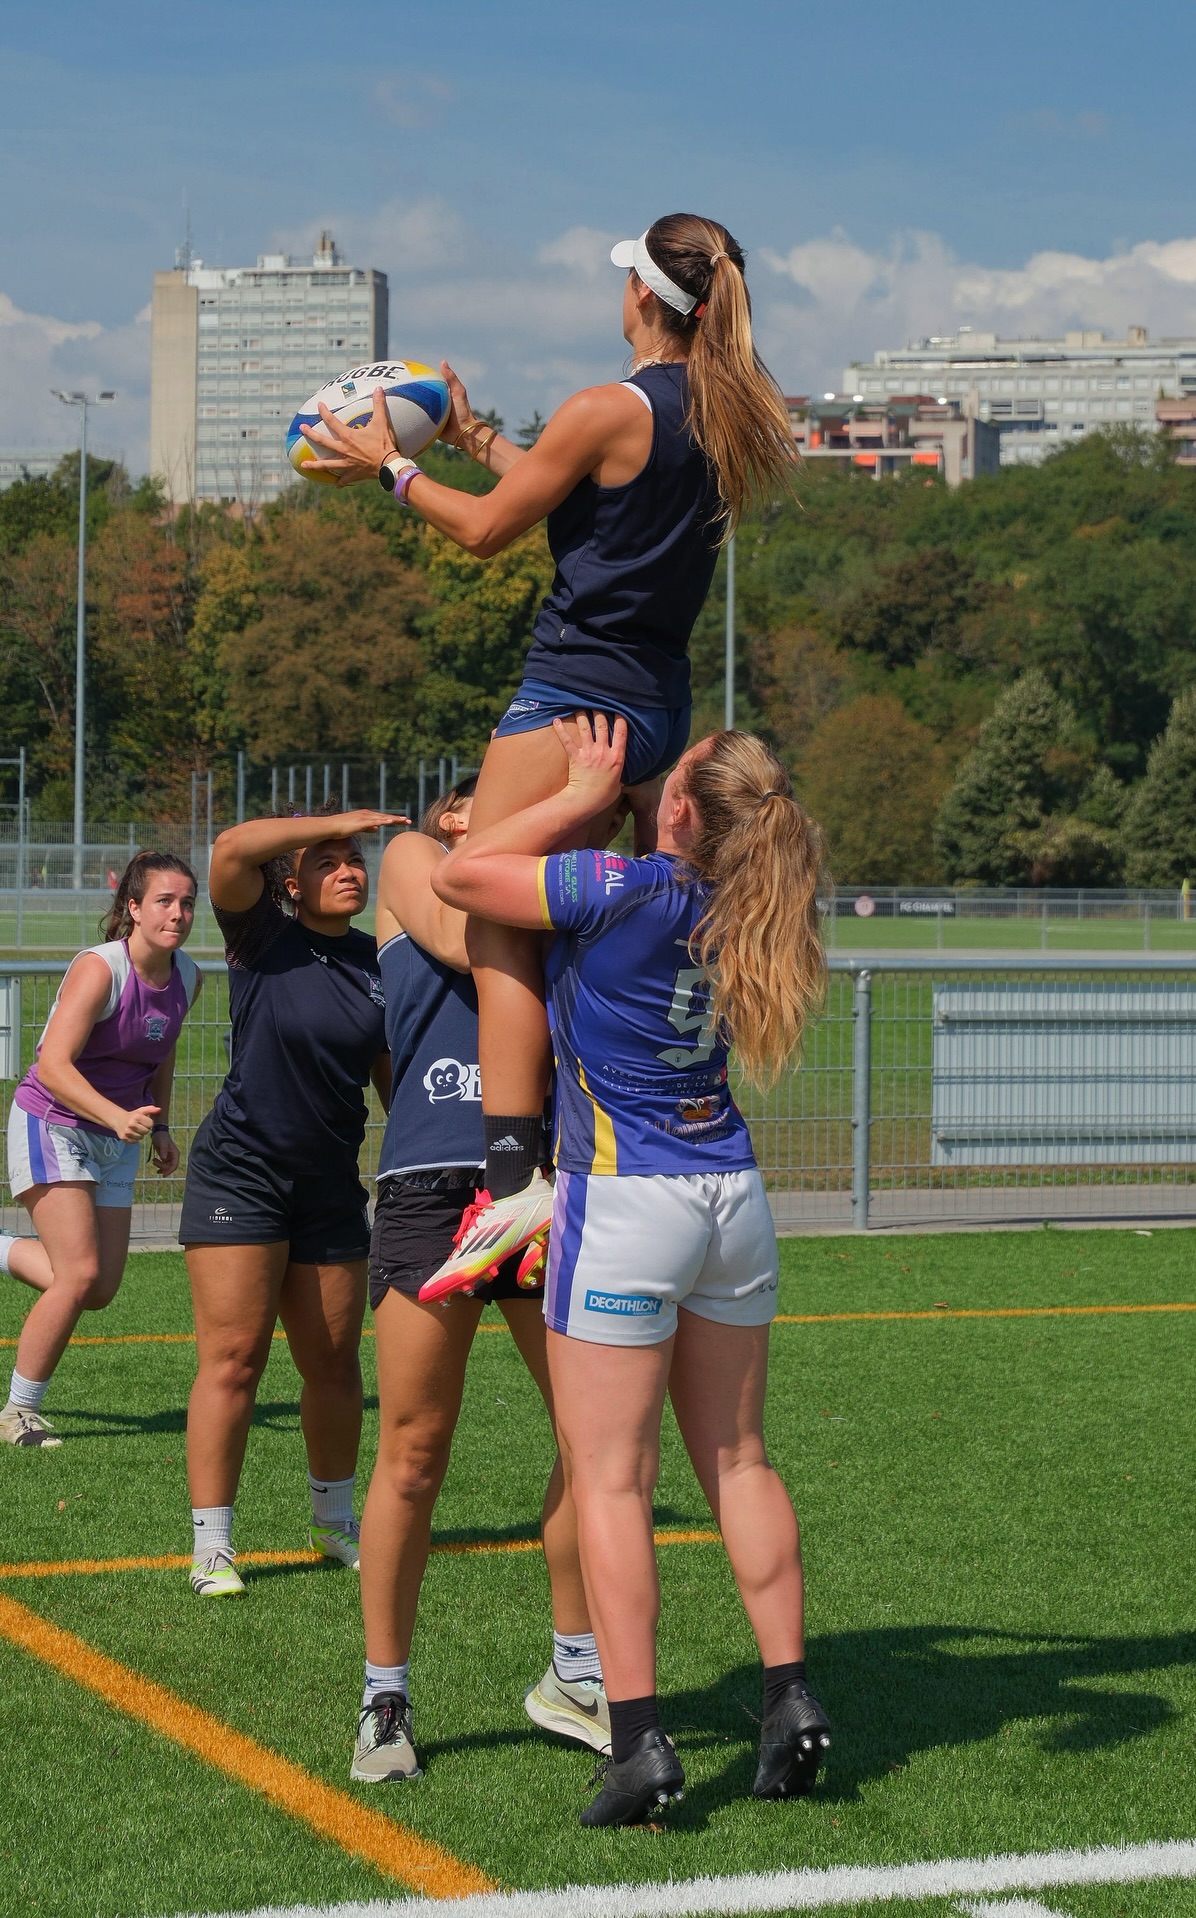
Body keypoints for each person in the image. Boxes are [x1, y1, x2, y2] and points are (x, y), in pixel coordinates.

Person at [300, 212, 798, 1285]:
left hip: (576, 693)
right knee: (617, 912)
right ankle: (605, 1129)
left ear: (643, 302)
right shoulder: (717, 412)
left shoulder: (602, 407)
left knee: (495, 917)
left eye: (625, 276)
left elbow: (487, 533)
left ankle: (516, 1173)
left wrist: (392, 464)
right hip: (659, 703)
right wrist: (476, 442)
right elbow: (573, 506)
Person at [425, 715, 833, 1826]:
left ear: (681, 809)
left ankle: (640, 1741)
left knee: (610, 1478)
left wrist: (575, 791)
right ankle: (790, 1699)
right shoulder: (744, 898)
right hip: (731, 1194)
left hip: (626, 1195)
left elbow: (461, 873)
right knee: (741, 1459)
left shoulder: (623, 884)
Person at [351, 777, 609, 1782]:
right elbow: (471, 938)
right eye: (482, 796)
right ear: (452, 814)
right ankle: (386, 1694)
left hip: (544, 1183)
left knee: (596, 1442)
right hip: (433, 1185)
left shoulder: (559, 881)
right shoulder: (416, 857)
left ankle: (576, 1670)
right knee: (414, 1453)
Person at [179, 805, 405, 1598]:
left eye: (356, 859)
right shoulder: (261, 938)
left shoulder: (381, 962)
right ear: (292, 882)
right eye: (329, 860)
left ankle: (333, 1523)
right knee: (234, 1362)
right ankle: (213, 1544)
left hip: (330, 1187)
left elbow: (390, 1080)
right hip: (240, 1174)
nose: (351, 869)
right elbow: (232, 847)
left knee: (336, 1366)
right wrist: (341, 817)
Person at [2, 854, 201, 1448]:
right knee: (78, 1273)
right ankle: (18, 1411)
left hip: (118, 1138)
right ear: (133, 908)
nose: (178, 913)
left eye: (188, 902)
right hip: (53, 1124)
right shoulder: (100, 970)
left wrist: (160, 1127)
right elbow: (51, 1066)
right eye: (164, 901)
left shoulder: (189, 975)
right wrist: (117, 1117)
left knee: (100, 1289)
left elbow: (160, 1050)